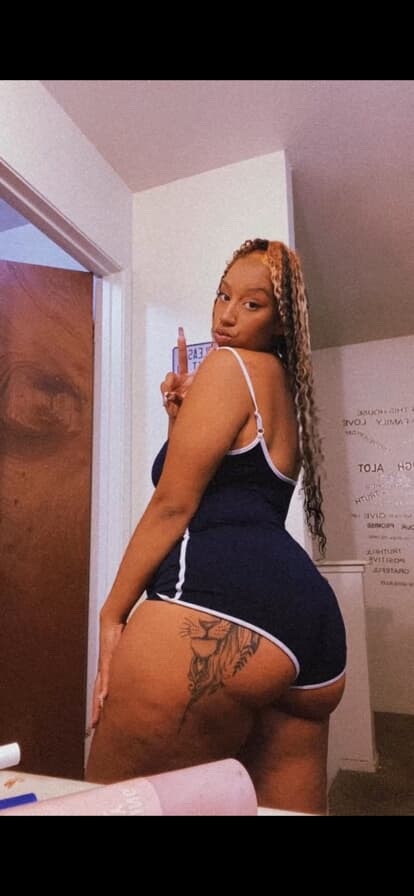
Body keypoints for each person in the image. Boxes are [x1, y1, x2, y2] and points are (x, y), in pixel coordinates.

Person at [86, 238, 346, 814]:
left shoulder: (228, 368)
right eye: (223, 296)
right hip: (310, 627)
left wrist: (111, 615)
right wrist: (180, 418)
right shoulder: (284, 389)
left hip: (214, 606)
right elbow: (232, 495)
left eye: (252, 304)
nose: (227, 315)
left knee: (108, 805)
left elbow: (173, 507)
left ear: (280, 321)